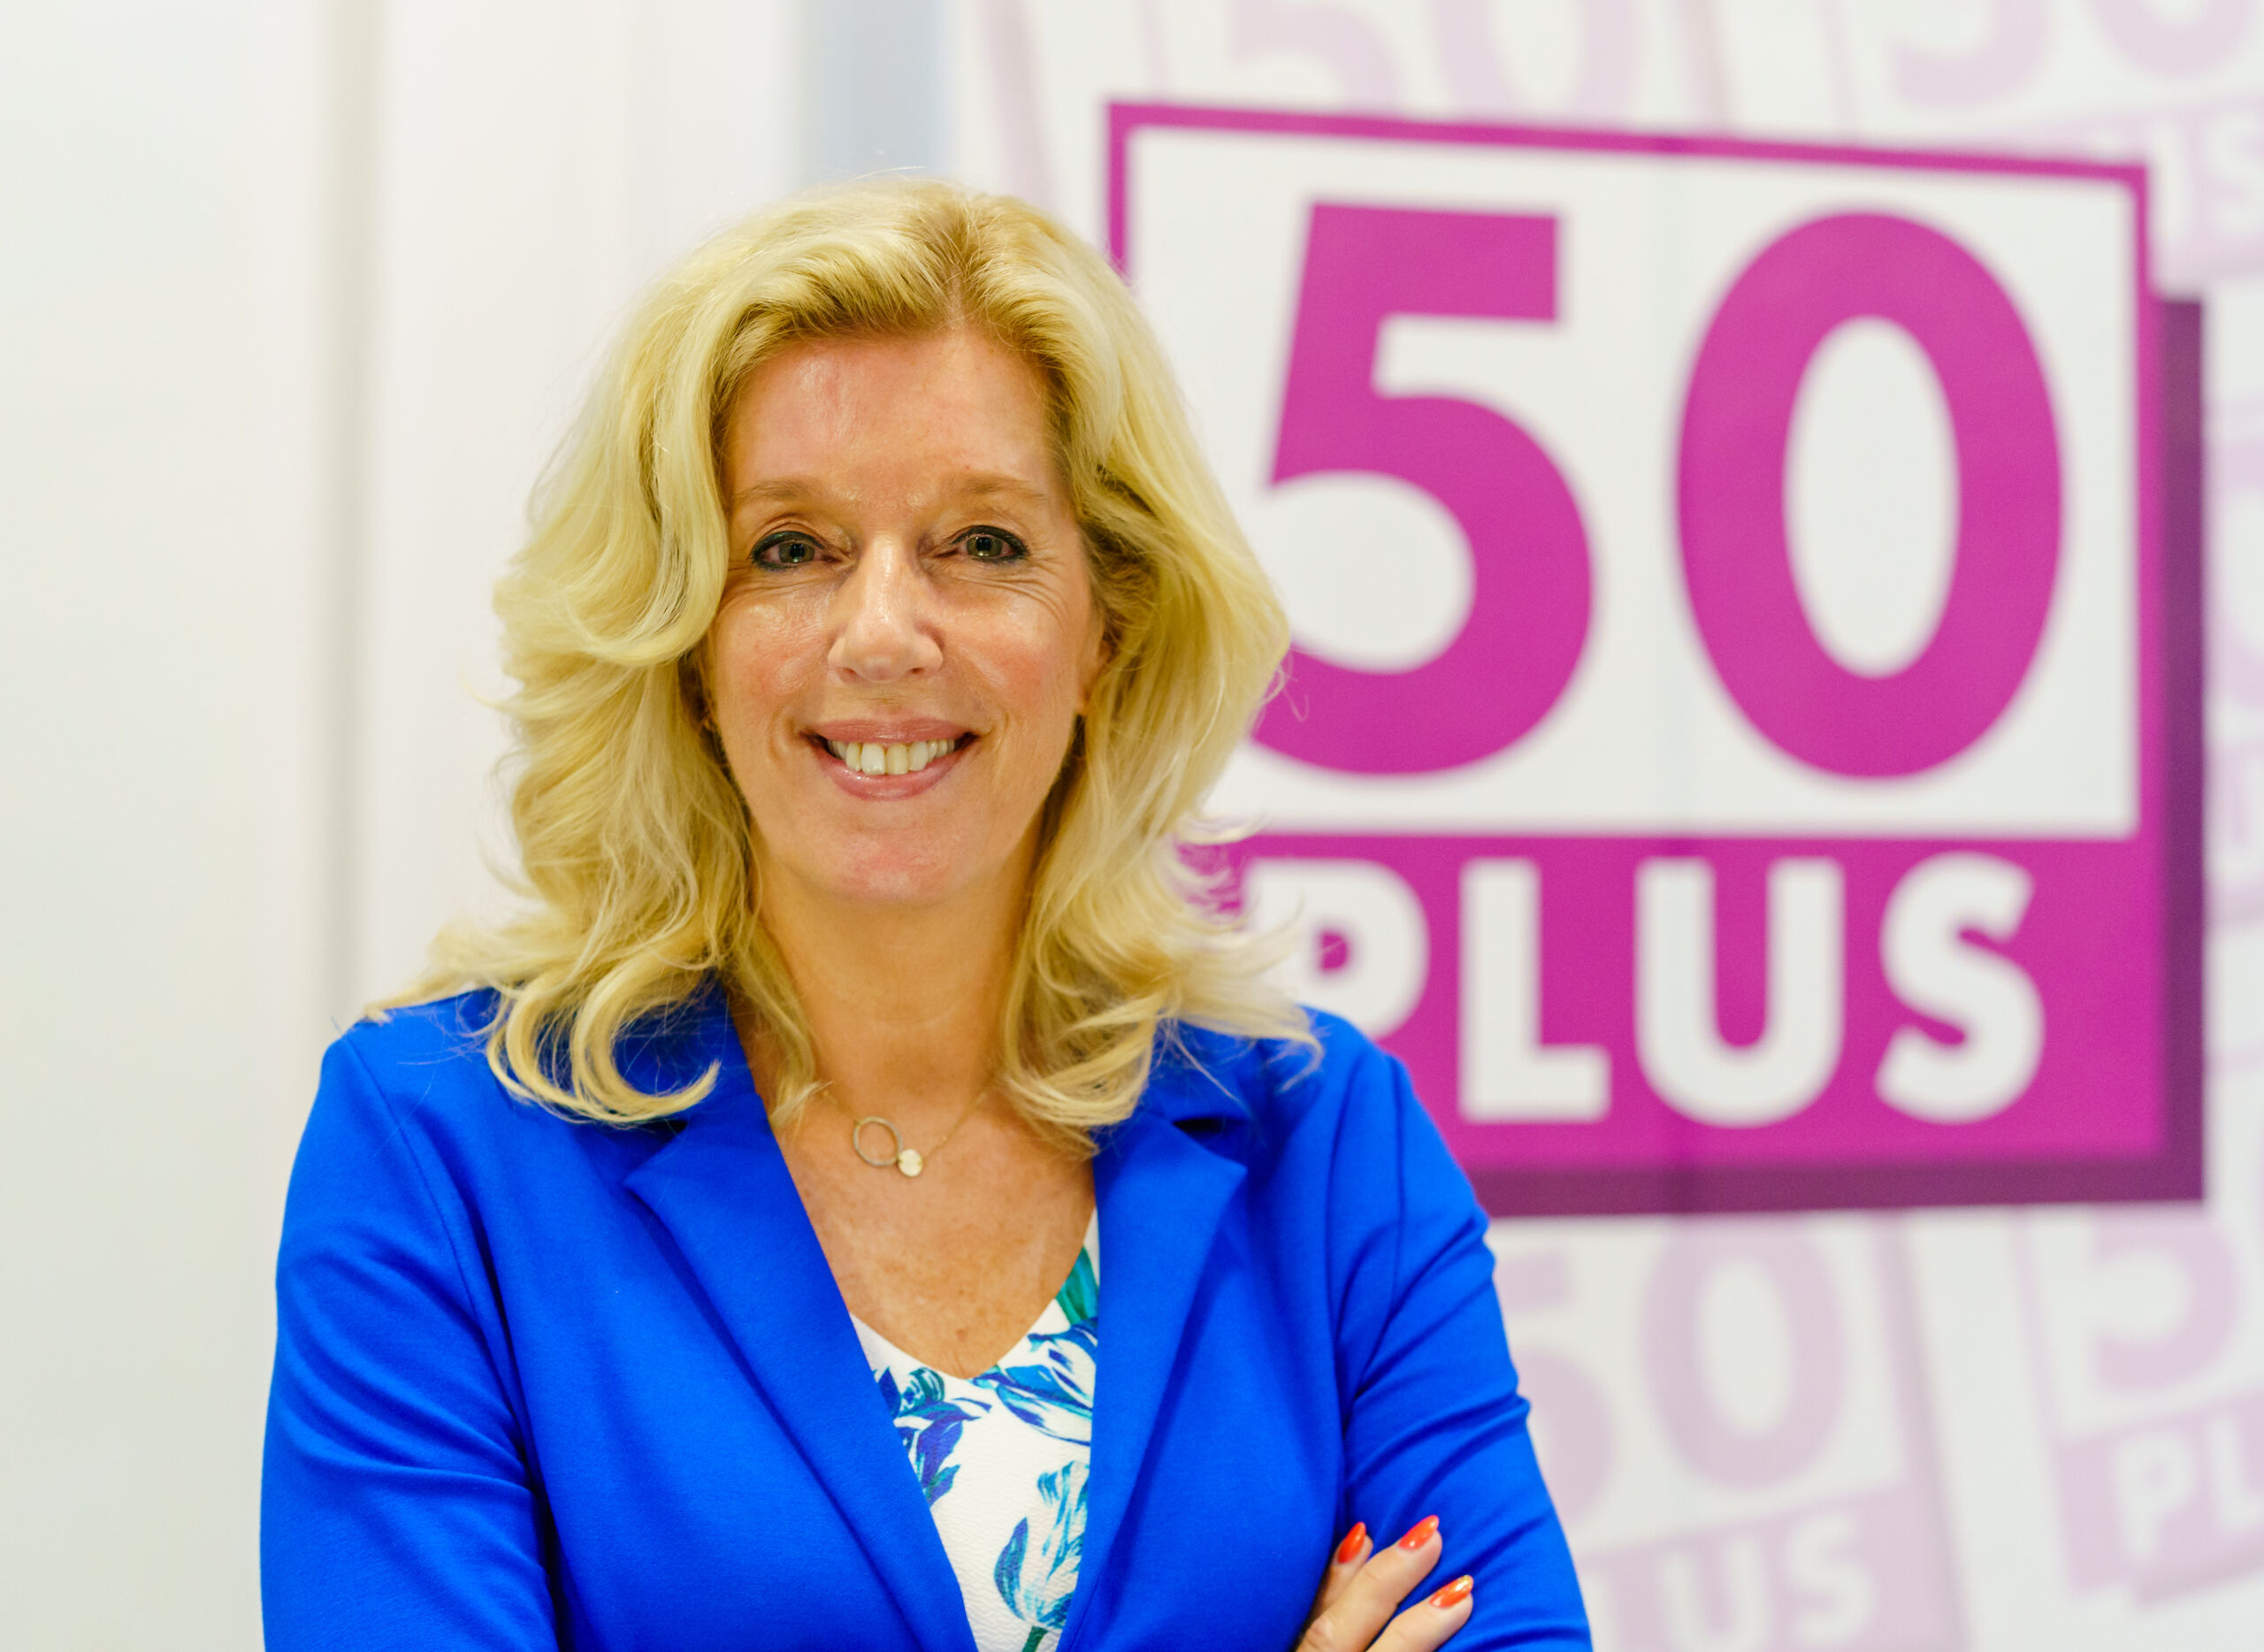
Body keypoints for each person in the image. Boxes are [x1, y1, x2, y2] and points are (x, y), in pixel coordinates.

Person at [261, 178, 1588, 1652]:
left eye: (984, 544)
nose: (884, 634)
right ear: (687, 645)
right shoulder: (439, 1149)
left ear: (1108, 626)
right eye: (791, 549)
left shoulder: (1328, 1145)